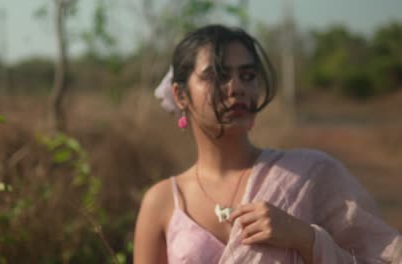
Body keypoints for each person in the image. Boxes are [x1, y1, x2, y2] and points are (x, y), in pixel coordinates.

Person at [133, 24, 401, 264]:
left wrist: (305, 239)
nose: (236, 87)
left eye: (247, 75)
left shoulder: (311, 174)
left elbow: (385, 257)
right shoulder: (163, 202)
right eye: (217, 75)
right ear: (180, 95)